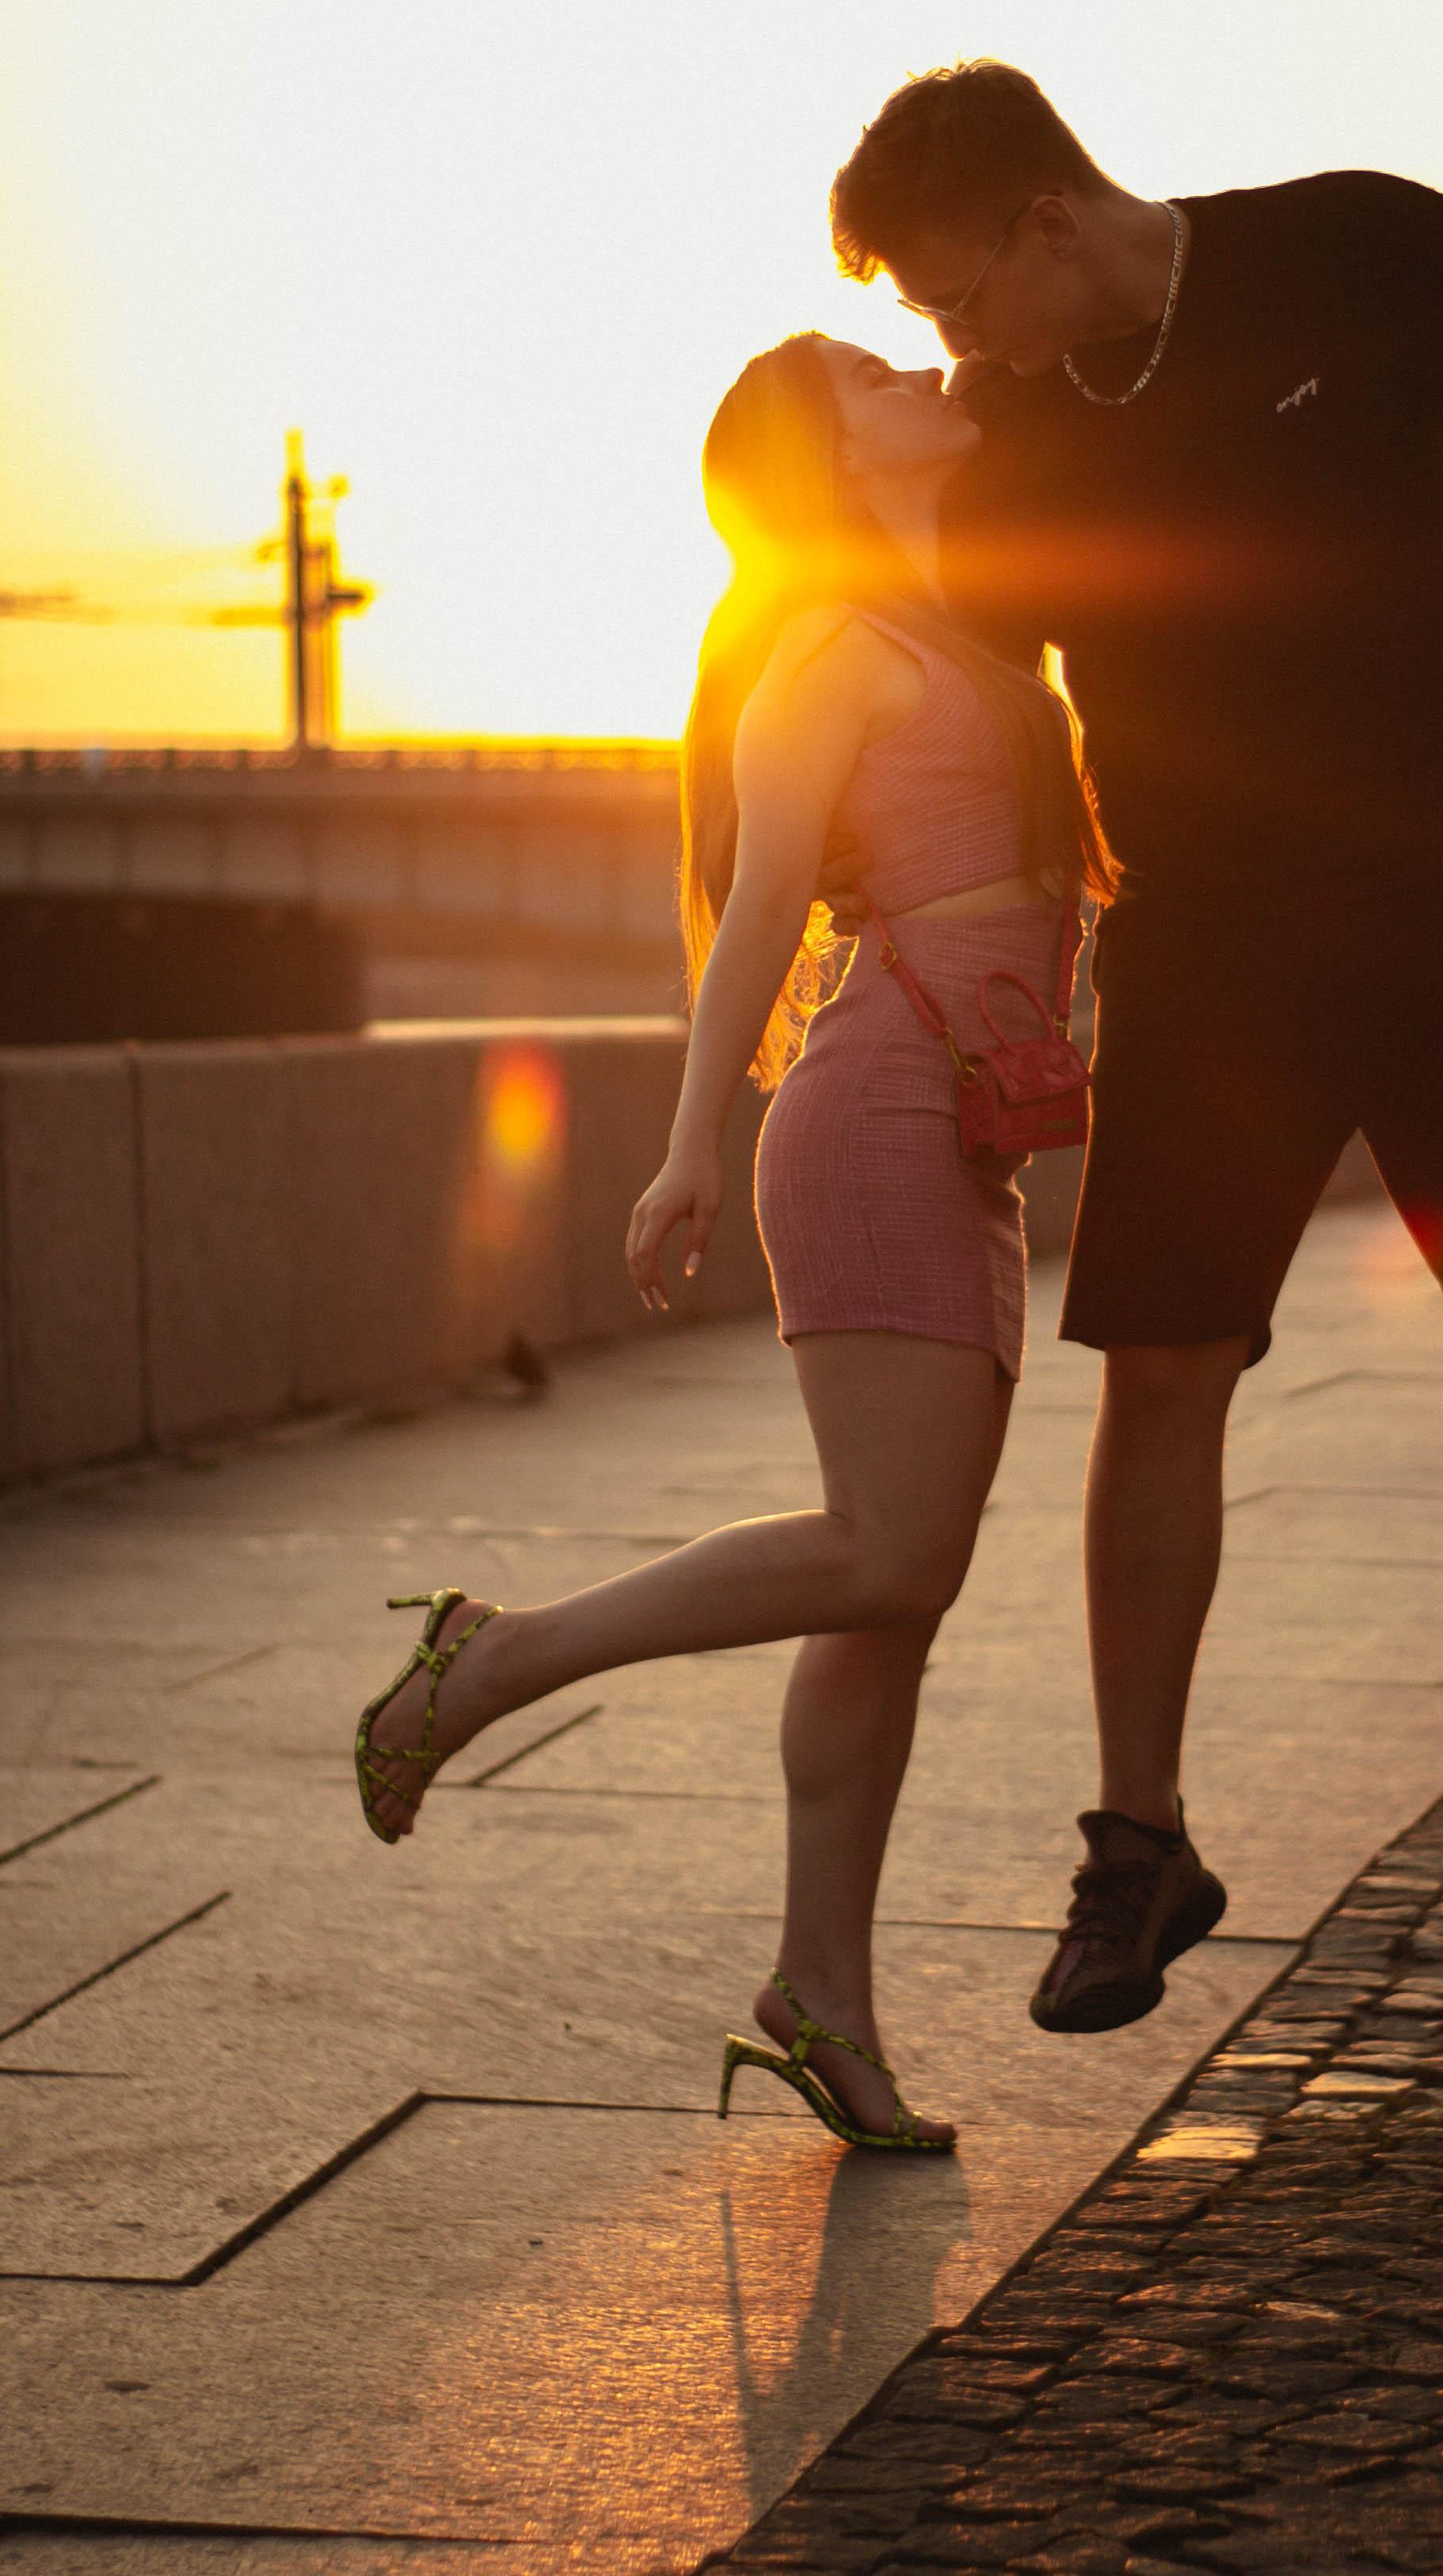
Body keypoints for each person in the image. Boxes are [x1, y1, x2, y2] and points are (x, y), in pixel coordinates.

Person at [825, 60, 1443, 2029]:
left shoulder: (1337, 249)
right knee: (1159, 1376)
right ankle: (1138, 1847)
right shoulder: (1017, 443)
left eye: (955, 303)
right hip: (1206, 947)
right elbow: (970, 703)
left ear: (1041, 222)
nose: (951, 351)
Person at [351, 329, 1115, 2147]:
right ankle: (498, 1655)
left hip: (967, 1135)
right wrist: (691, 1145)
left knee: (896, 1592)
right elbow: (761, 900)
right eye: (871, 373)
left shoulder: (973, 632)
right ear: (819, 461)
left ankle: (816, 1997)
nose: (918, 372)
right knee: (882, 1546)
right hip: (871, 1121)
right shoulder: (827, 649)